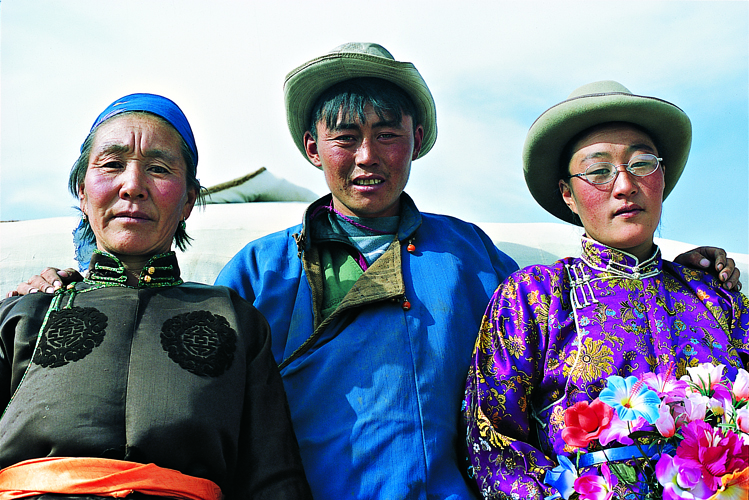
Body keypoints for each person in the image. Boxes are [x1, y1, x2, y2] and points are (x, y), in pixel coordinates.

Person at [11, 48, 741, 499]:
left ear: (415, 142)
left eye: (387, 134)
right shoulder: (258, 271)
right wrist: (72, 288)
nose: (367, 156)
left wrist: (678, 274)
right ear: (310, 147)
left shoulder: (470, 258)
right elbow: (187, 377)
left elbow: (580, 319)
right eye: (345, 137)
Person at [0, 94, 312, 499]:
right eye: (112, 164)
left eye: (159, 169)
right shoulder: (25, 313)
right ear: (82, 191)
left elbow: (274, 479)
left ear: (187, 200)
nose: (133, 186)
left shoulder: (235, 320)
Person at [463, 80, 749, 500]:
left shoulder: (715, 297)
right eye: (599, 171)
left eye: (642, 163)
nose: (624, 185)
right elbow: (492, 441)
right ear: (568, 196)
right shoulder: (534, 295)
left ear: (662, 177)